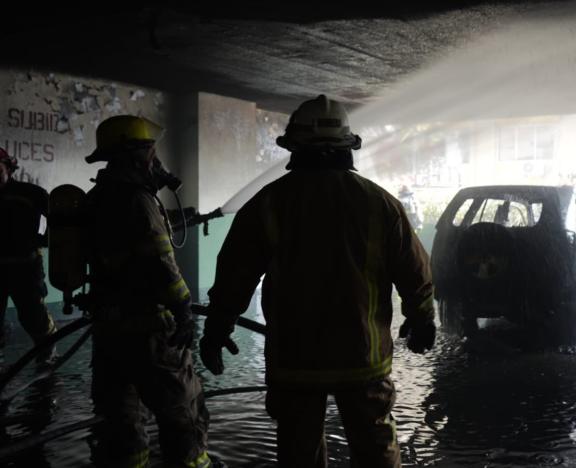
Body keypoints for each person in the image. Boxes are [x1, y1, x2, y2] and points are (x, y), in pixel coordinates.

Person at [199, 94, 436, 468]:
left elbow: (234, 274)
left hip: (296, 359)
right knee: (376, 447)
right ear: (348, 146)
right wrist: (423, 320)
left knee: (299, 451)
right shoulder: (381, 204)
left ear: (293, 146)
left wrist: (217, 327)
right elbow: (415, 271)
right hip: (363, 357)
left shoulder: (268, 203)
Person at [83, 115, 211, 467]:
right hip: (149, 330)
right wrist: (184, 308)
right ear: (137, 154)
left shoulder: (97, 198)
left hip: (109, 332)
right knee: (184, 415)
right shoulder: (138, 201)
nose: (157, 159)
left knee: (122, 424)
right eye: (152, 150)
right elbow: (161, 263)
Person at [0, 147, 56, 358]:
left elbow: (54, 223)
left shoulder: (32, 194)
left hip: (25, 266)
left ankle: (48, 355)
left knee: (33, 315)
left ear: (9, 168)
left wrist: (42, 239)